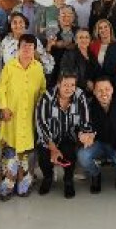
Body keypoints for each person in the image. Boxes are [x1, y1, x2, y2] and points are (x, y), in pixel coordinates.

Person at [0, 34, 47, 200]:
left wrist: (41, 111)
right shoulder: (9, 66)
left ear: (34, 49)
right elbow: (0, 88)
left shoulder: (38, 67)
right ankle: (7, 187)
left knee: (27, 153)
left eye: (31, 47)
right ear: (19, 48)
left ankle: (24, 185)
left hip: (30, 117)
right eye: (24, 46)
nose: (27, 50)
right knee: (10, 152)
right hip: (12, 117)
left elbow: (42, 90)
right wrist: (3, 107)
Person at [35, 71, 92, 199]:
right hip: (48, 137)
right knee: (44, 154)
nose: (69, 88)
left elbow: (85, 120)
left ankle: (68, 180)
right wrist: (53, 149)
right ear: (58, 84)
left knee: (70, 151)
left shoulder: (80, 95)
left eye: (73, 85)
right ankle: (48, 178)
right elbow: (41, 124)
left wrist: (85, 135)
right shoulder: (46, 97)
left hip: (69, 136)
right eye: (65, 85)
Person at [77, 77, 116, 192]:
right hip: (98, 145)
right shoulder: (88, 107)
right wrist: (82, 135)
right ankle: (95, 174)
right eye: (100, 90)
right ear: (94, 92)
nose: (104, 93)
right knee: (82, 155)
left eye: (107, 89)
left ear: (112, 89)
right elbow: (81, 127)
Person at [60, 28, 100, 94]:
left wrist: (96, 84)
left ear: (90, 40)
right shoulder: (69, 54)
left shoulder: (92, 55)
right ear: (76, 40)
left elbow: (98, 71)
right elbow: (66, 73)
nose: (84, 40)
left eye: (87, 37)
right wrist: (85, 83)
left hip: (92, 92)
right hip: (75, 91)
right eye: (81, 37)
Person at [45, 4, 78, 76]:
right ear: (58, 17)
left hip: (76, 72)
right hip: (55, 73)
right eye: (63, 14)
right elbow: (46, 56)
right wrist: (50, 45)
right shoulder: (51, 31)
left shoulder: (79, 32)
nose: (66, 17)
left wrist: (65, 44)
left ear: (73, 17)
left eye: (69, 14)